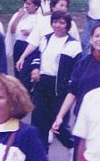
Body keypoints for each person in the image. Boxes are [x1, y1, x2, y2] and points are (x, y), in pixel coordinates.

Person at [51, 24, 100, 161]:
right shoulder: (83, 63)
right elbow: (72, 92)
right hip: (83, 121)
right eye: (97, 36)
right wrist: (60, 116)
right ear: (90, 39)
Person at [26, 10, 82, 153]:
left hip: (60, 89)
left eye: (61, 23)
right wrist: (35, 69)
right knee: (39, 123)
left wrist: (70, 87)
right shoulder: (45, 39)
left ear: (67, 26)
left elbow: (77, 70)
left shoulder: (73, 45)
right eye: (55, 22)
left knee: (58, 124)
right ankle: (41, 155)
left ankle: (71, 145)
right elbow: (36, 57)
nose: (57, 25)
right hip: (42, 85)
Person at [9, 0, 41, 86]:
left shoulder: (40, 18)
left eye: (29, 4)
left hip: (30, 46)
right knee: (17, 70)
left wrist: (31, 33)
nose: (26, 6)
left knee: (26, 71)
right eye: (25, 3)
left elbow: (40, 34)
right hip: (19, 45)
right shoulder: (20, 15)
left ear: (36, 6)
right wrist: (19, 16)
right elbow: (12, 30)